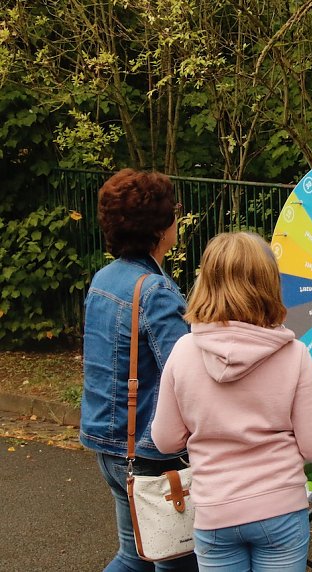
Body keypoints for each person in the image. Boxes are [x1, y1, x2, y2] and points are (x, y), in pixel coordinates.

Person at [151, 231, 312, 572]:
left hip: (214, 511)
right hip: (279, 508)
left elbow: (165, 439)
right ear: (269, 284)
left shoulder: (183, 353)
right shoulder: (294, 355)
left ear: (206, 282)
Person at [80, 169, 197, 571]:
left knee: (136, 557)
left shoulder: (104, 280)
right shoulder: (155, 290)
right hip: (150, 453)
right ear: (160, 227)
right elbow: (185, 372)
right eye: (174, 212)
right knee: (176, 560)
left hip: (108, 443)